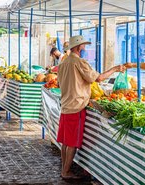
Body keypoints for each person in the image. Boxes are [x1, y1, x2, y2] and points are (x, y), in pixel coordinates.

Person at [57, 35, 125, 179]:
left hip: (66, 104)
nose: (84, 47)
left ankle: (64, 168)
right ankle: (65, 172)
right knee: (72, 142)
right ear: (77, 47)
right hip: (76, 105)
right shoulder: (79, 62)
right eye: (83, 45)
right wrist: (114, 69)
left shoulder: (63, 62)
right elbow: (98, 78)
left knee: (65, 141)